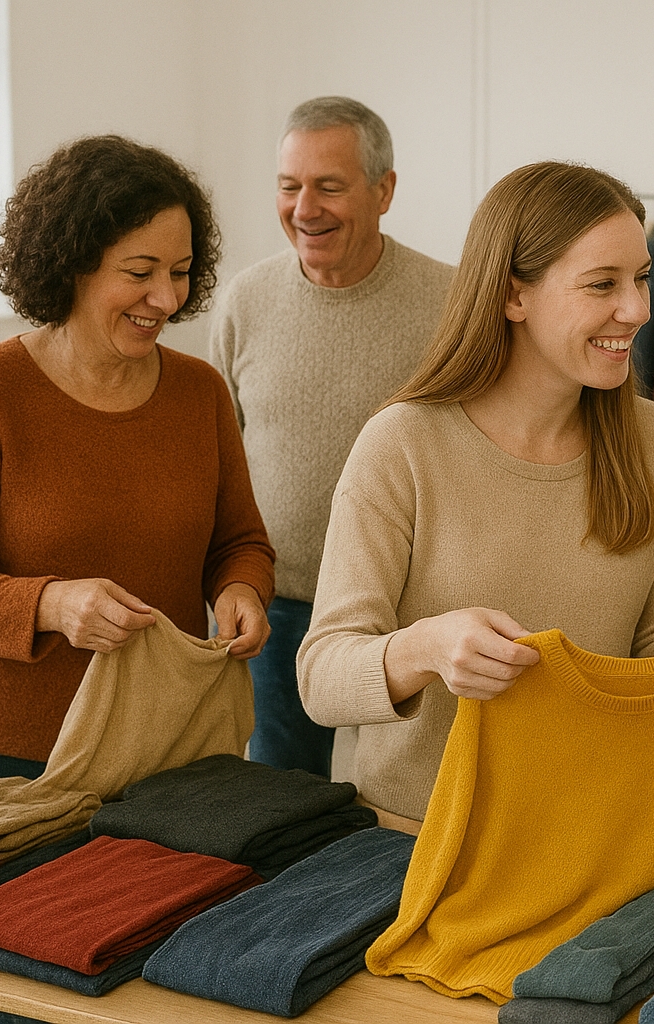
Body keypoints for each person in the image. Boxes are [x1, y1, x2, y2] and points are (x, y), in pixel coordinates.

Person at [0, 134, 274, 1024]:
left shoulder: (198, 393)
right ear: (69, 263)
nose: (166, 298)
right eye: (138, 271)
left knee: (147, 986)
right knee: (23, 994)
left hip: (158, 752)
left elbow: (240, 538)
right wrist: (50, 601)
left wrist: (241, 590)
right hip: (6, 760)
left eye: (182, 272)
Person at [297, 161, 654, 824]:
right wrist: (427, 648)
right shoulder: (402, 444)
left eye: (641, 278)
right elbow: (321, 677)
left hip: (594, 837)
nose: (638, 309)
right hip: (416, 842)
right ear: (513, 296)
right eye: (602, 284)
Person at [212, 96, 455, 778]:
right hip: (281, 604)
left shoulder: (449, 302)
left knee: (408, 793)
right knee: (283, 796)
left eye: (329, 186)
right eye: (289, 187)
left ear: (384, 191)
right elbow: (222, 456)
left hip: (412, 607)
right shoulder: (245, 300)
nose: (304, 208)